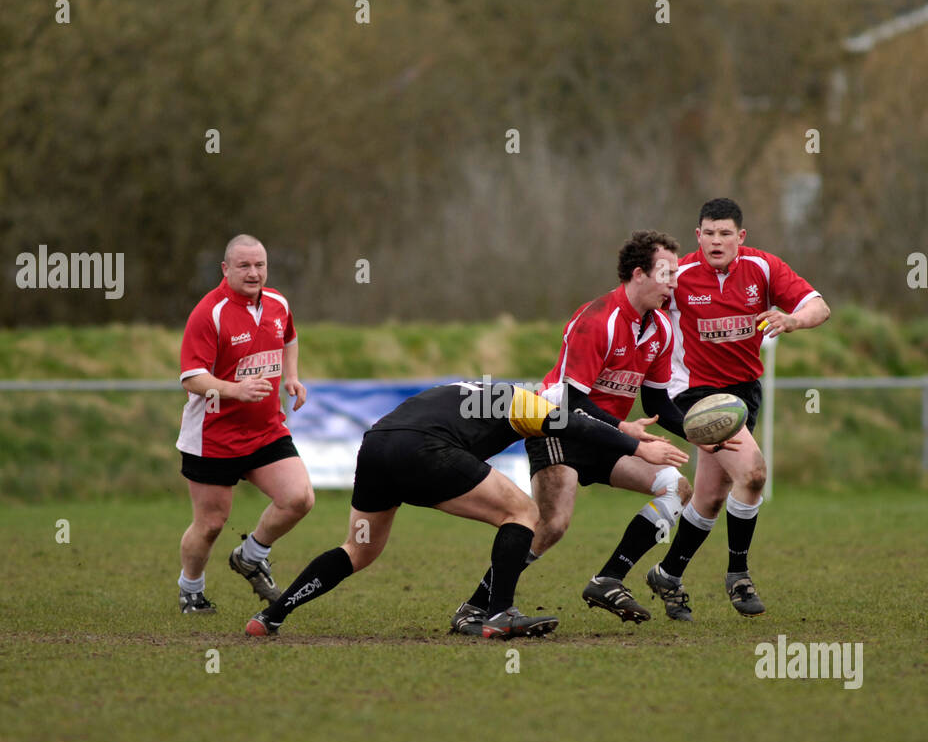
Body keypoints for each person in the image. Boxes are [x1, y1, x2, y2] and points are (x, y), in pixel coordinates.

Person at [244, 379, 689, 639]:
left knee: (357, 549)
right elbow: (570, 423)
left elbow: (575, 421)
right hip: (425, 451)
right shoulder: (524, 402)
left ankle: (272, 616)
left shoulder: (475, 389)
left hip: (378, 445)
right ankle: (498, 614)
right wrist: (635, 446)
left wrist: (620, 428)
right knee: (524, 513)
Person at [456, 231, 737, 628]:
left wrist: (700, 433)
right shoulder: (597, 319)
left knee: (676, 487)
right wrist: (626, 430)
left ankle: (609, 579)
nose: (674, 282)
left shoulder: (659, 329)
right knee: (552, 526)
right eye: (666, 273)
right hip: (556, 427)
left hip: (605, 435)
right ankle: (477, 605)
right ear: (639, 274)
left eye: (676, 273)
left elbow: (657, 404)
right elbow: (569, 401)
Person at [644, 198, 830, 621]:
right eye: (708, 232)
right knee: (754, 473)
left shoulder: (763, 268)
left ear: (740, 237)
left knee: (709, 498)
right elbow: (636, 303)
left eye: (725, 233)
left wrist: (792, 320)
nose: (716, 241)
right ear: (698, 236)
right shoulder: (680, 276)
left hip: (743, 392)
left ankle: (668, 573)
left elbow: (820, 306)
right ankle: (738, 574)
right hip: (693, 390)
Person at [175, 234, 315, 614]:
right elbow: (191, 377)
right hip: (213, 437)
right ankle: (191, 590)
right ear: (226, 269)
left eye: (260, 265)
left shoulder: (278, 303)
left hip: (266, 430)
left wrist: (291, 377)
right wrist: (233, 390)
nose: (254, 273)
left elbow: (289, 338)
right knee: (210, 525)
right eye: (244, 266)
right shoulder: (210, 312)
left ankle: (251, 556)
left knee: (299, 498)